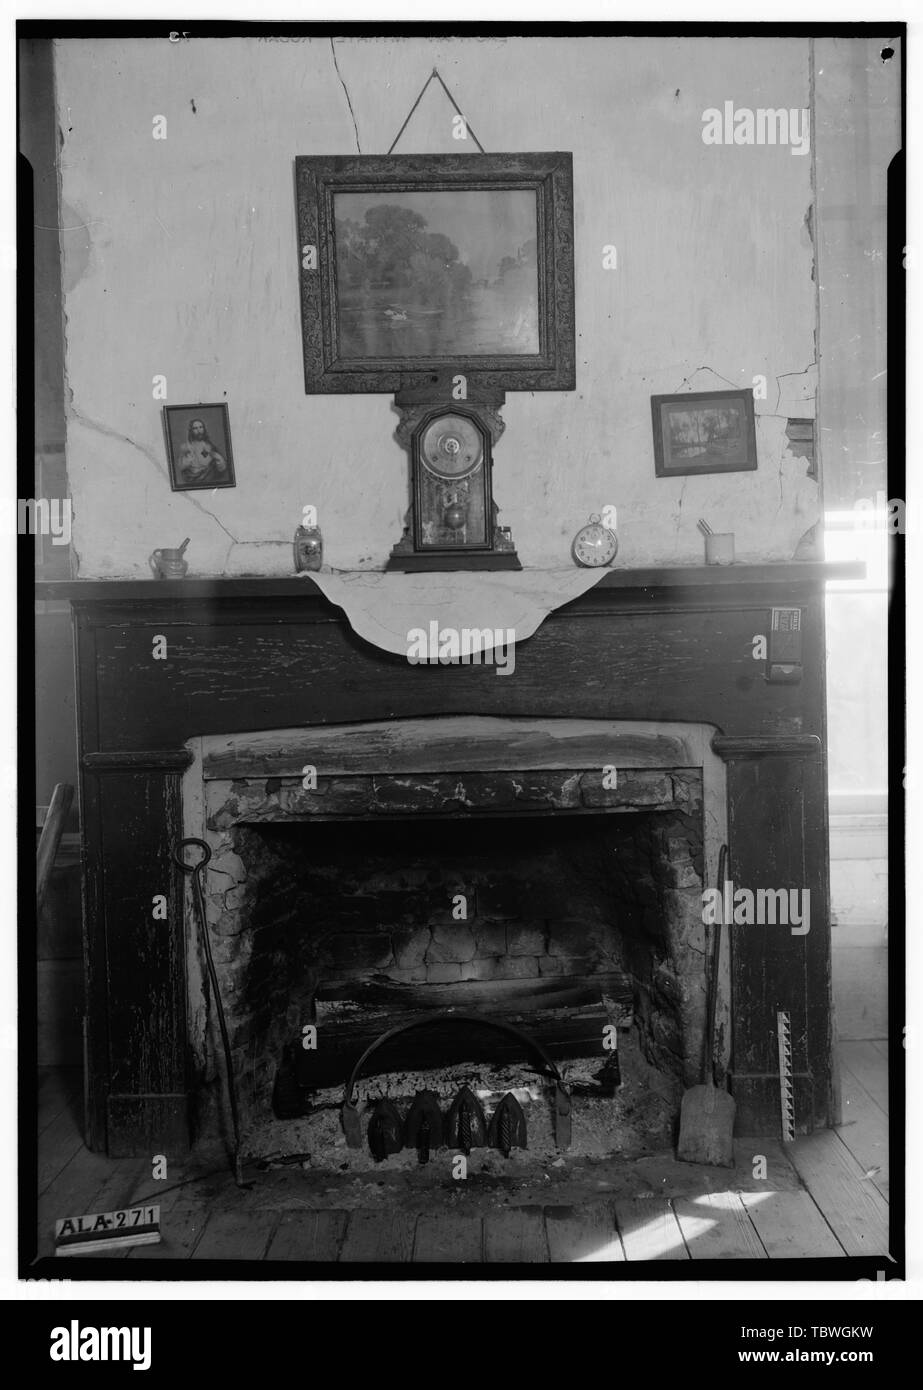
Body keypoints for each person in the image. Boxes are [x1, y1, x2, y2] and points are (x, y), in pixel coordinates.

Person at [178, 417, 228, 485]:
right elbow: (181, 467)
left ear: (204, 428)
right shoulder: (186, 447)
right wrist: (188, 461)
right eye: (195, 428)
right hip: (193, 478)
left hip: (209, 476)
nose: (199, 430)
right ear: (191, 431)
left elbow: (219, 465)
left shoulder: (209, 445)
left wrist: (219, 459)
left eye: (201, 427)